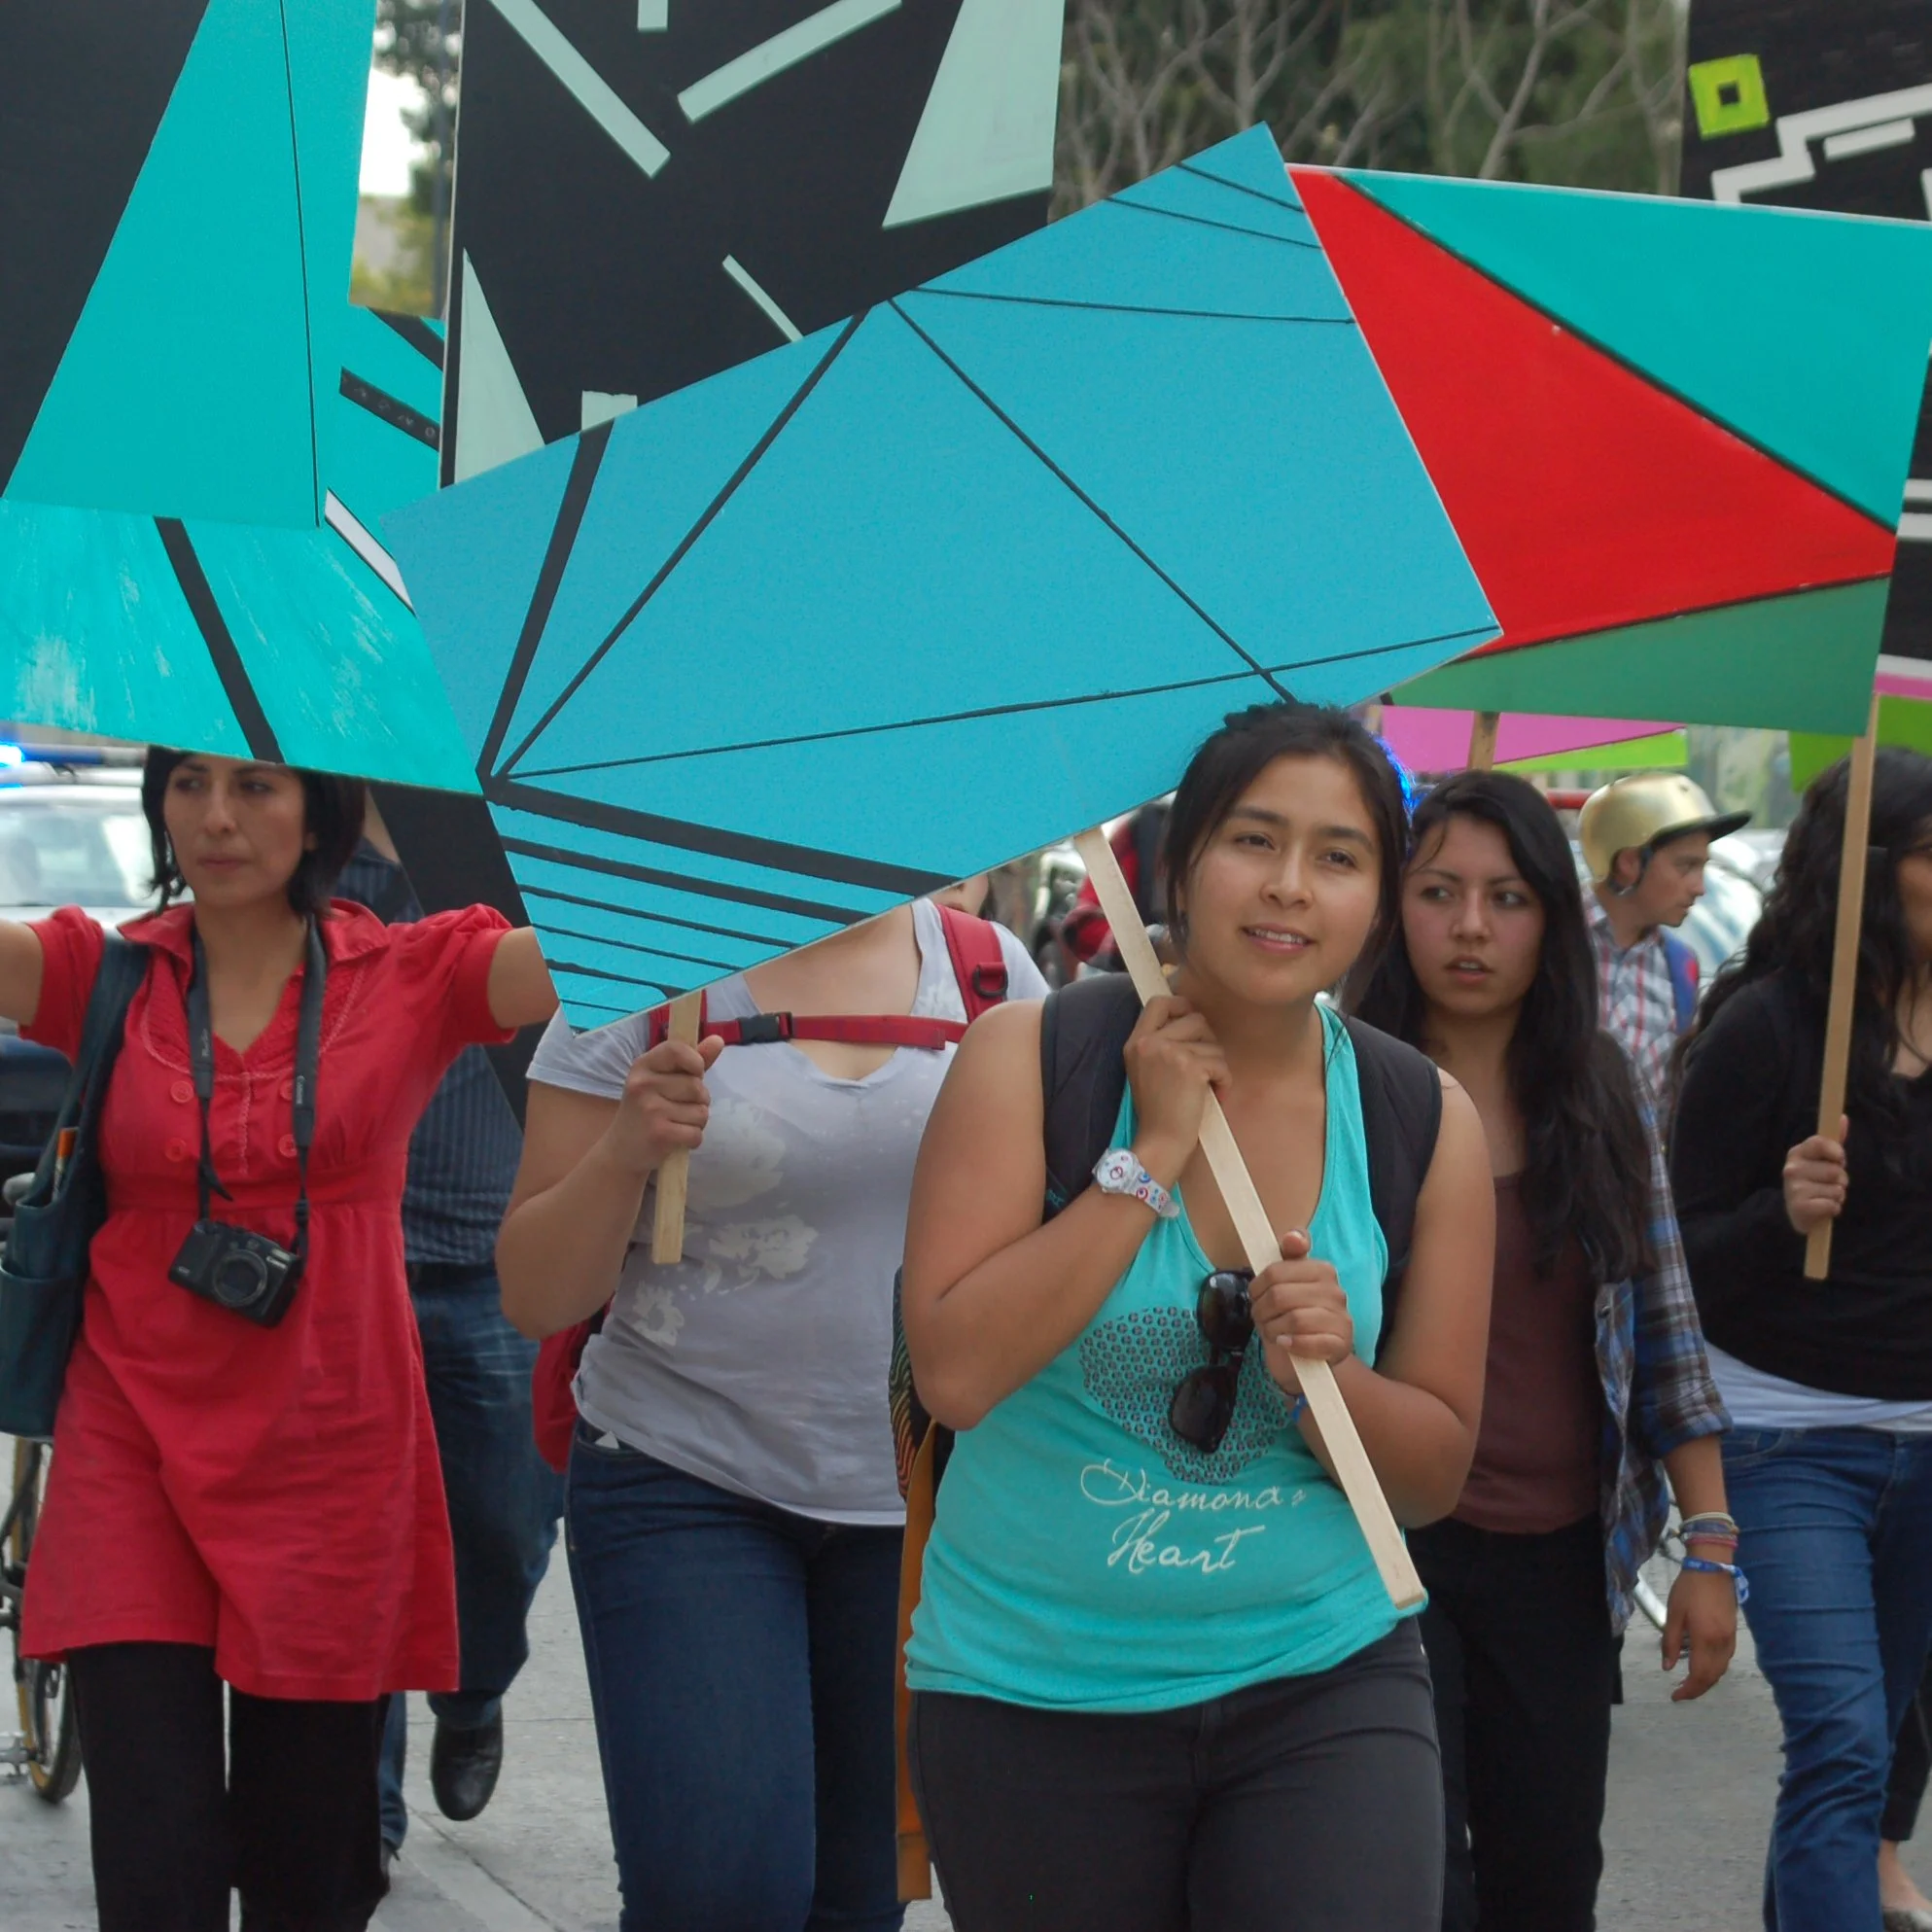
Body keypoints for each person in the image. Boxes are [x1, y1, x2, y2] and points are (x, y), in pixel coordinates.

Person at [898, 702, 1496, 1932]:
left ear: (1378, 902)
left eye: (1337, 857)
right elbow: (952, 1375)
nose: (1287, 887)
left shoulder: (1420, 1119)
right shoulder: (1028, 1057)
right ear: (1179, 863)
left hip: (1321, 1673)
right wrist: (1147, 1158)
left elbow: (1432, 1472)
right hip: (1031, 1690)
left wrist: (1325, 1372)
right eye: (1252, 840)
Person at [0, 749, 558, 1932]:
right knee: (155, 1859)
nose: (215, 815)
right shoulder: (104, 973)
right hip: (129, 1441)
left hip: (329, 1450)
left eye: (255, 786)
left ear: (322, 814)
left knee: (310, 1865)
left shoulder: (412, 970)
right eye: (189, 783)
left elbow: (592, 961)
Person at [495, 890, 1045, 1932]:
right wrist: (624, 1150)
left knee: (861, 1898)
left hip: (916, 1503)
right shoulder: (641, 963)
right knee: (717, 1896)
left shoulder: (991, 977)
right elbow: (532, 1291)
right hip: (679, 1478)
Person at [1355, 769, 1735, 1932]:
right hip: (1379, 1546)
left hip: (1565, 1558)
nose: (1470, 927)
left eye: (1508, 897)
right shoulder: (1338, 1087)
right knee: (1419, 1882)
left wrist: (1709, 1543)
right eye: (1438, 891)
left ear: (1549, 921)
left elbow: (1665, 1331)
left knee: (1547, 1879)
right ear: (1392, 906)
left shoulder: (1597, 1091)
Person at [1672, 747, 1932, 1932]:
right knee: (1838, 1733)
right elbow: (1672, 1262)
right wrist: (1782, 1214)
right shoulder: (1772, 1030)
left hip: (1925, 1443)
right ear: (1872, 873)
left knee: (1865, 1752)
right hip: (1785, 1440)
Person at [334, 825, 564, 1861]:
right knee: (360, 1548)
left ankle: (473, 1688)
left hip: (491, 1266)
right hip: (349, 1263)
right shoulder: (317, 853)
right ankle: (363, 1815)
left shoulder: (513, 855)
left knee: (506, 1527)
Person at [1578, 772, 1749, 1105]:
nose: (1699, 887)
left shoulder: (1680, 966)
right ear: (1629, 862)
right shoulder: (1547, 941)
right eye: (1686, 866)